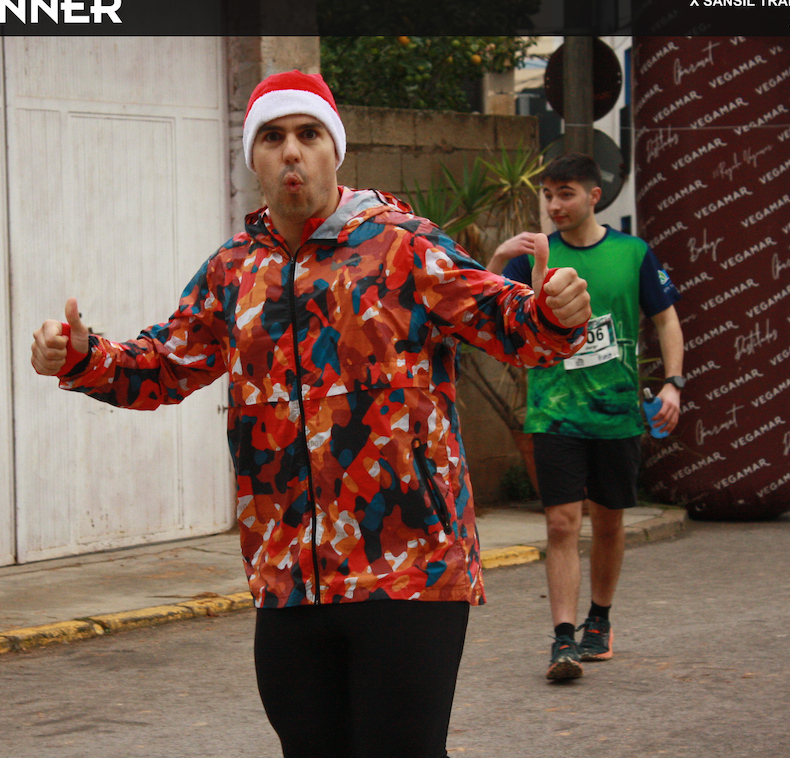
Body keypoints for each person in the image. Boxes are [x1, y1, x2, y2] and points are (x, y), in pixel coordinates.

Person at [31, 70, 592, 757]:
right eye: (272, 137)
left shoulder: (404, 247)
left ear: (335, 150)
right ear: (254, 159)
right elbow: (165, 365)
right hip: (289, 577)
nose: (291, 151)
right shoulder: (233, 273)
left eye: (308, 134)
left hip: (407, 570)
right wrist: (82, 356)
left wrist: (553, 313)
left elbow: (511, 323)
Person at [488, 153, 683, 682]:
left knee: (609, 521)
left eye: (566, 193)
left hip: (615, 413)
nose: (554, 205)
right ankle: (562, 638)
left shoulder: (632, 253)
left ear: (595, 196)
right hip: (553, 413)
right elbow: (482, 308)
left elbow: (666, 320)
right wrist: (500, 255)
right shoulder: (536, 256)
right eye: (548, 195)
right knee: (560, 523)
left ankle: (600, 618)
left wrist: (673, 382)